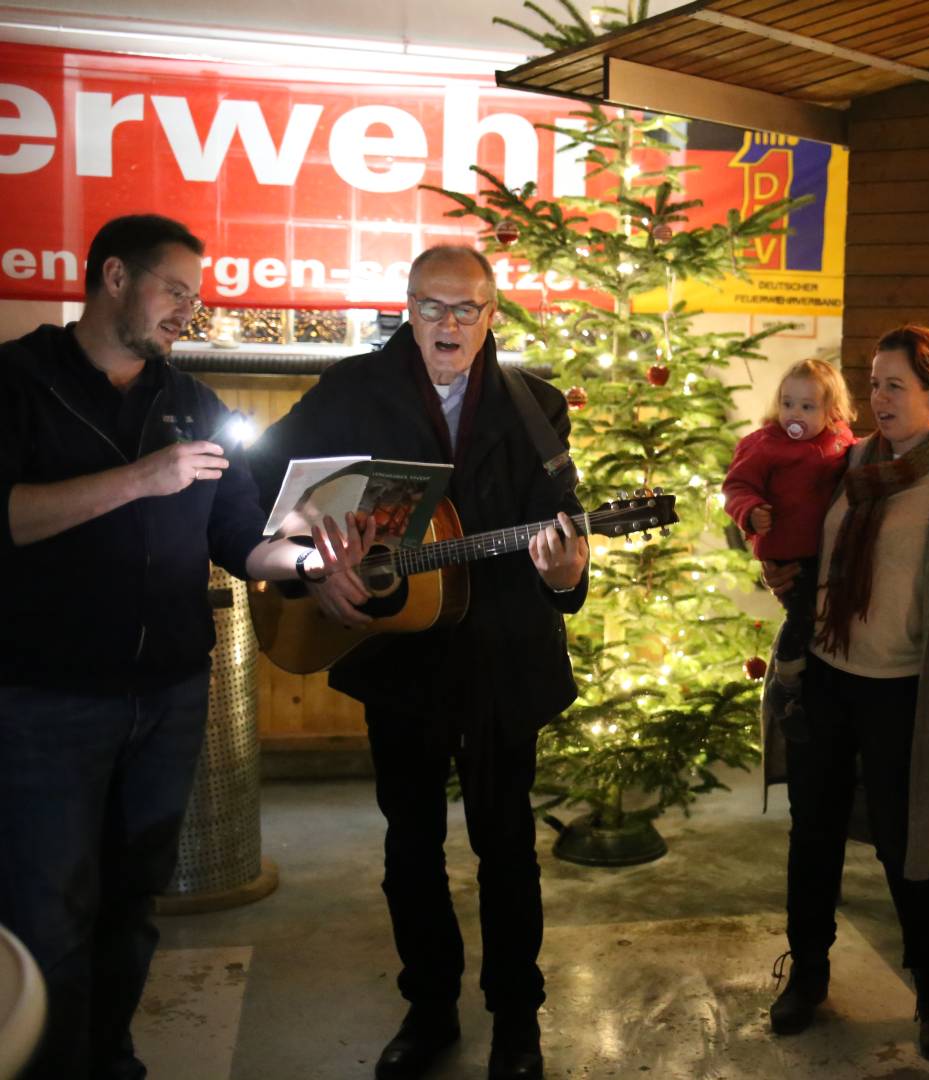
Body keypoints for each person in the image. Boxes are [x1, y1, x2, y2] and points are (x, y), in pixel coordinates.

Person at [0, 214, 366, 1080]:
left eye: (196, 300)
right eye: (176, 291)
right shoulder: (17, 381)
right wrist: (141, 479)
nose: (188, 313)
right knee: (47, 910)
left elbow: (242, 541)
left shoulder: (190, 400)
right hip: (45, 698)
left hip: (167, 694)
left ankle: (110, 1054)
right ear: (114, 276)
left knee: (134, 902)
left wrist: (312, 554)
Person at [248, 245, 588, 1080]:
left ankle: (517, 1022)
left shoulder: (535, 406)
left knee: (506, 846)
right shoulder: (352, 392)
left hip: (503, 658)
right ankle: (429, 1007)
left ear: (491, 314)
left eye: (465, 309)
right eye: (432, 308)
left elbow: (564, 530)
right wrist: (310, 566)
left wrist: (568, 573)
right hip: (395, 653)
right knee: (411, 846)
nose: (448, 325)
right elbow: (264, 483)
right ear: (407, 307)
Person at [760, 324, 929, 1064]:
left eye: (896, 385)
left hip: (903, 692)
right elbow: (809, 545)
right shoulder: (852, 460)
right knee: (815, 834)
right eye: (872, 384)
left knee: (907, 847)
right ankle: (809, 974)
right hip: (827, 676)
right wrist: (777, 571)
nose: (878, 397)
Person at [722, 358, 857, 734]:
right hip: (786, 550)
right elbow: (736, 487)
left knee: (821, 615)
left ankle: (803, 683)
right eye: (787, 403)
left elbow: (856, 458)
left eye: (807, 406)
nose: (793, 413)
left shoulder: (840, 440)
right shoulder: (765, 446)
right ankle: (786, 682)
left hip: (823, 551)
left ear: (831, 412)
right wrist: (750, 512)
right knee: (803, 616)